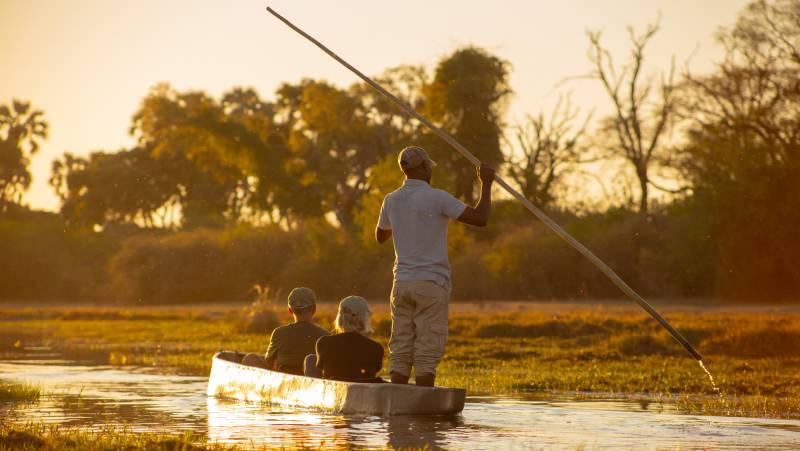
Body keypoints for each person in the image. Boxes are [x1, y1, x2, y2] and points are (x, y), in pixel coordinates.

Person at [375, 146, 495, 386]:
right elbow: (480, 218)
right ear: (423, 168)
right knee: (426, 355)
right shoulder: (438, 197)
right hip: (431, 284)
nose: (431, 170)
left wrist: (405, 220)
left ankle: (397, 404)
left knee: (400, 352)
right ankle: (423, 407)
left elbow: (380, 236)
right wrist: (487, 183)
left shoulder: (391, 199)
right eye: (428, 166)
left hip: (401, 285)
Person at [241, 287, 329, 375]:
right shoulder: (325, 336)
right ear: (314, 309)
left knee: (250, 358)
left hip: (283, 381)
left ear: (290, 310)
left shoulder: (279, 333)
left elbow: (268, 361)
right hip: (313, 382)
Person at [304, 295, 383, 382]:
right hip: (363, 390)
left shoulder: (324, 342)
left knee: (311, 360)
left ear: (340, 318)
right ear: (364, 318)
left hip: (333, 390)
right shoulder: (376, 348)